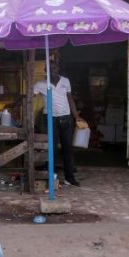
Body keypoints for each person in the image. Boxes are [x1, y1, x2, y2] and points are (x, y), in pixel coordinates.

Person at [33, 52, 83, 187]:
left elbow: (70, 99)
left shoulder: (65, 81)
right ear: (46, 71)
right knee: (52, 149)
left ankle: (69, 178)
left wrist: (76, 116)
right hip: (51, 120)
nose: (53, 71)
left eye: (54, 69)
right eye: (50, 70)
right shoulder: (40, 84)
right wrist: (16, 103)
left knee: (68, 149)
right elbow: (29, 97)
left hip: (66, 119)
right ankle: (51, 177)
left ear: (58, 69)